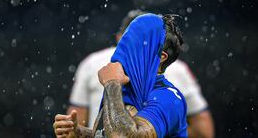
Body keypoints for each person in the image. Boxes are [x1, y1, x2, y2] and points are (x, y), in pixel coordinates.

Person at [65, 10, 214, 138]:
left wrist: (112, 84)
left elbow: (123, 136)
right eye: (126, 41)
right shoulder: (123, 87)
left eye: (137, 43)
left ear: (161, 57)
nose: (125, 48)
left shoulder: (168, 98)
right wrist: (79, 133)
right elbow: (111, 133)